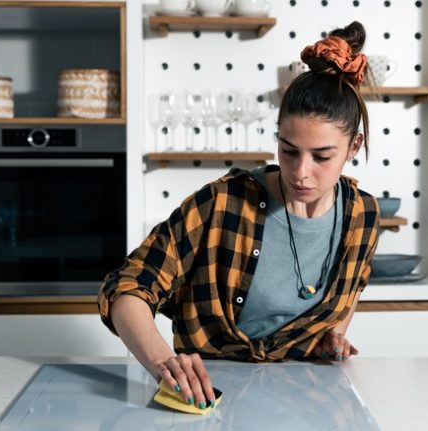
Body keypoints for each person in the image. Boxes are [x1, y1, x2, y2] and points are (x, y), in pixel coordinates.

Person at [98, 20, 380, 411]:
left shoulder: (363, 215)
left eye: (321, 156)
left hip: (308, 406)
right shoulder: (222, 203)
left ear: (355, 146)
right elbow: (127, 288)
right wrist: (165, 363)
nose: (300, 171)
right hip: (210, 405)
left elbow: (350, 290)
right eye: (288, 150)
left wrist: (330, 337)